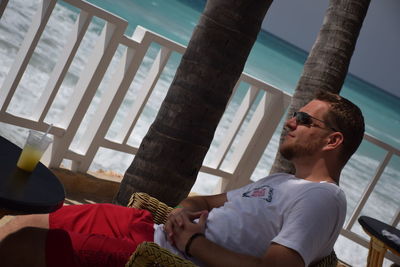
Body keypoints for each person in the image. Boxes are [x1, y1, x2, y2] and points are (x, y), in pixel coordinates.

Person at [0, 91, 364, 267]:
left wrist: (192, 244)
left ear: (333, 141)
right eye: (294, 115)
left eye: (305, 120)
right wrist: (181, 212)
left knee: (24, 243)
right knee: (19, 224)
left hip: (162, 259)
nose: (290, 122)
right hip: (152, 230)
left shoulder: (323, 200)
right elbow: (206, 202)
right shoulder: (282, 183)